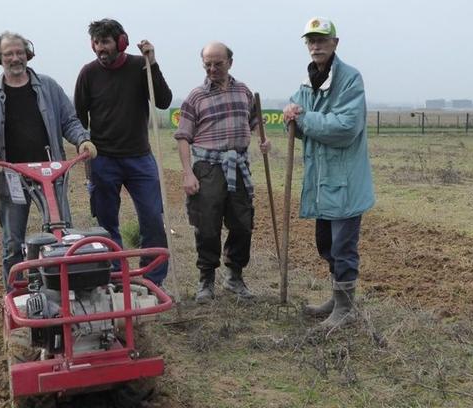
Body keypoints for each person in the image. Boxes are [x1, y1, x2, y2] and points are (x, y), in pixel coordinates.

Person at [0, 32, 96, 290]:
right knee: (12, 243)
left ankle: (64, 292)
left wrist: (82, 140)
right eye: (8, 53)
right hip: (11, 175)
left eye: (19, 52)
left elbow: (69, 121)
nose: (15, 57)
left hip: (50, 174)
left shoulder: (48, 87)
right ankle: (16, 295)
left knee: (62, 235)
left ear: (28, 54)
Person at [283, 17, 375, 329]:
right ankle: (337, 299)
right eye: (311, 40)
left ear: (335, 43)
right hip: (321, 181)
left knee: (343, 247)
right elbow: (299, 118)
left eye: (322, 40)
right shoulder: (308, 83)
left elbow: (345, 128)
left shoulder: (350, 79)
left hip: (345, 180)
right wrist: (290, 116)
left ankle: (346, 310)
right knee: (326, 244)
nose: (316, 45)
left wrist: (303, 118)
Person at [74, 18, 172, 286]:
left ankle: (152, 280)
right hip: (103, 160)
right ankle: (115, 278)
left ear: (121, 42)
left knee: (152, 218)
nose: (100, 48)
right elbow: (78, 118)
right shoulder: (88, 73)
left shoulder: (140, 67)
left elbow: (163, 101)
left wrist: (152, 63)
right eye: (96, 43)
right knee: (106, 225)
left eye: (105, 42)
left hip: (140, 158)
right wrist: (84, 149)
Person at [175, 42, 271, 303]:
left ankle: (235, 277)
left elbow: (254, 122)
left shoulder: (243, 92)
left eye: (218, 63)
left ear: (230, 61)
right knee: (206, 225)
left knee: (243, 223)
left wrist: (264, 140)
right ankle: (206, 280)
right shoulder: (195, 97)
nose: (212, 68)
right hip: (207, 169)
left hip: (238, 166)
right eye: (207, 64)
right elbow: (183, 137)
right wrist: (187, 173)